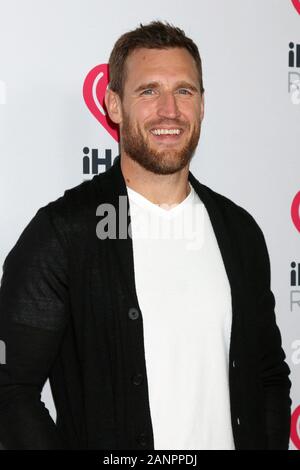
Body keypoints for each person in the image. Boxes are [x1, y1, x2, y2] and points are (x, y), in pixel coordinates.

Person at [0, 20, 292, 450]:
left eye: (184, 91)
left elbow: (268, 374)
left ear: (203, 104)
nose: (169, 111)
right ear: (114, 105)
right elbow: (11, 388)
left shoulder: (239, 231)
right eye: (149, 91)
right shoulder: (66, 232)